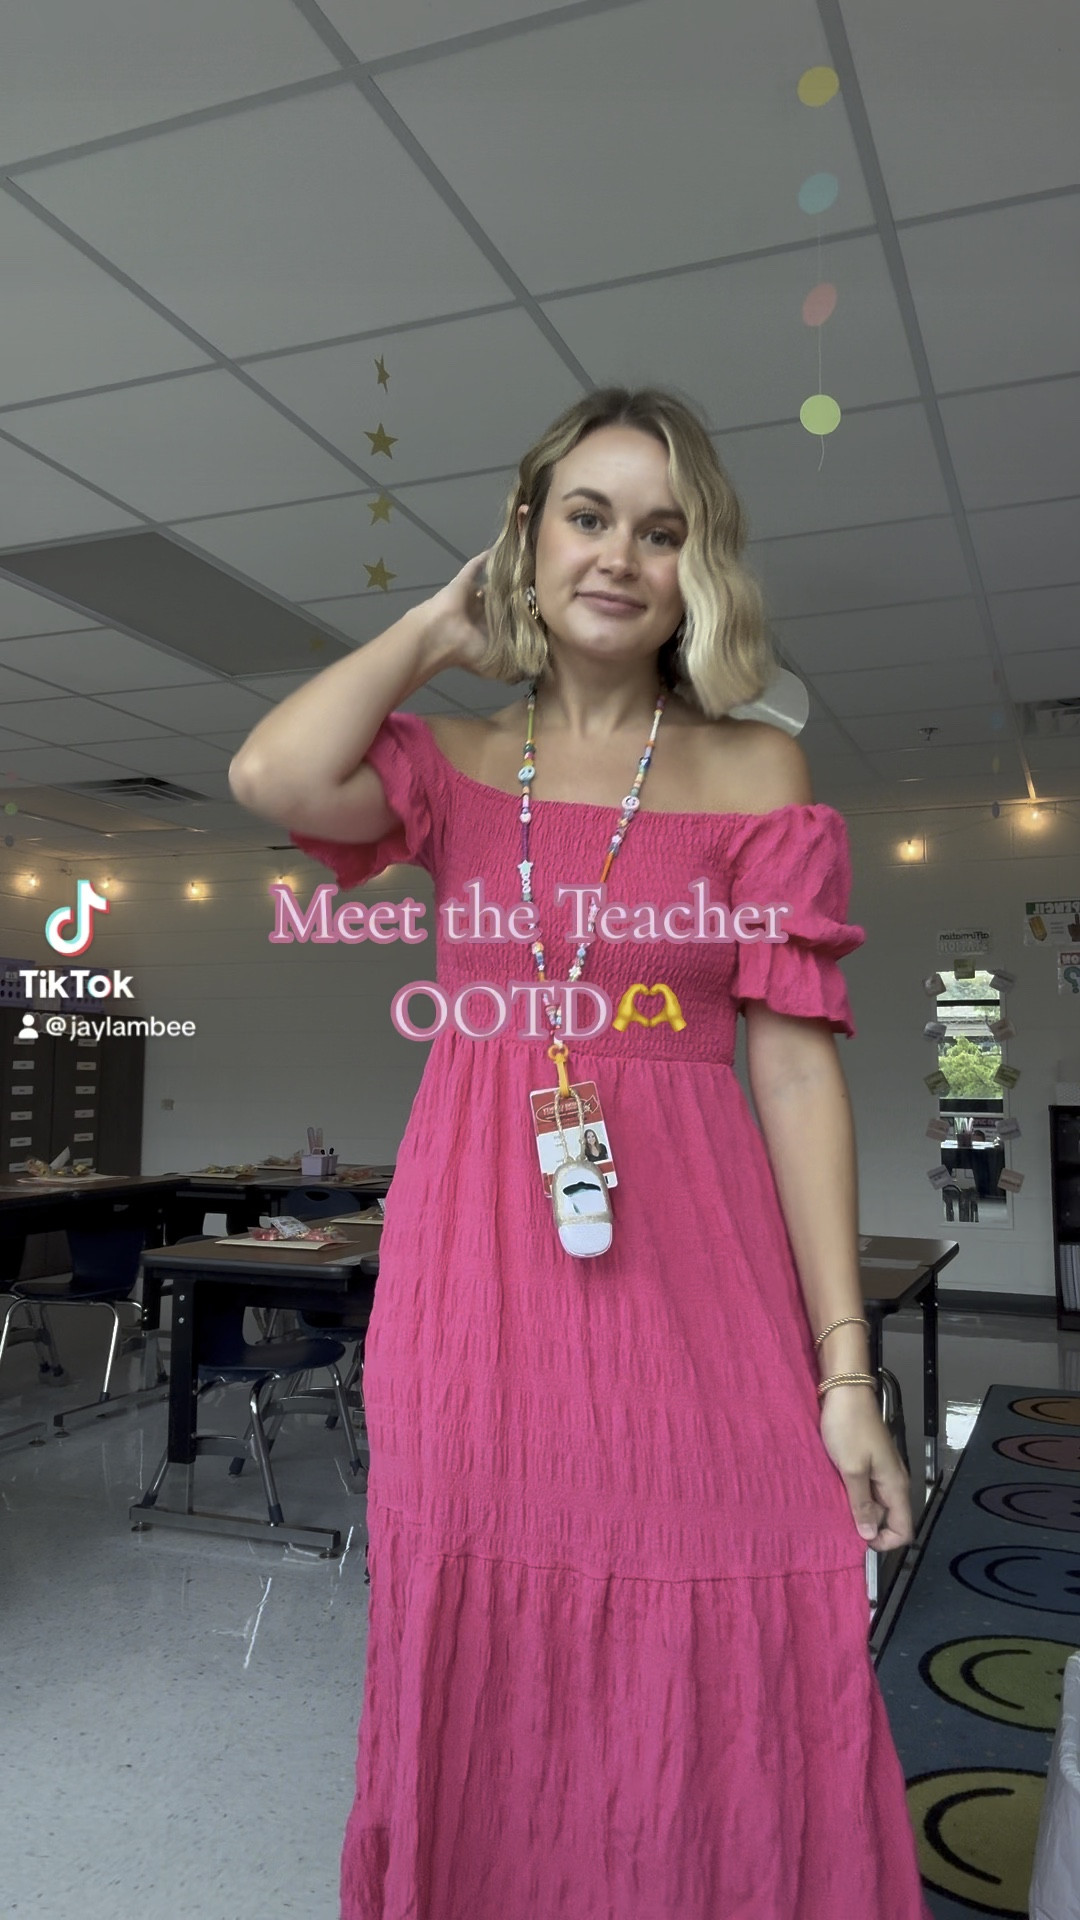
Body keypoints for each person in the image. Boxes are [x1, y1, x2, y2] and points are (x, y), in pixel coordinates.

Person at [229, 387, 931, 1919]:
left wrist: (845, 1372)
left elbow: (798, 1073)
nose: (622, 555)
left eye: (663, 529)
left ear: (701, 569)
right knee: (486, 1638)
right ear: (529, 541)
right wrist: (429, 632)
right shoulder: (458, 759)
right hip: (476, 1275)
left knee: (754, 1593)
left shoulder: (757, 775)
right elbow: (272, 778)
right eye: (589, 516)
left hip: (695, 1260)